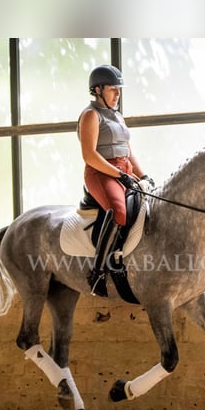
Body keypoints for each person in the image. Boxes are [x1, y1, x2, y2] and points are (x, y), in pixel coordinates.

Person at [77, 64, 153, 295]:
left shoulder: (118, 116)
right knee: (119, 211)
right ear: (98, 90)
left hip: (124, 170)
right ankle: (99, 271)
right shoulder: (91, 115)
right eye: (113, 89)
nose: (118, 93)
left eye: (119, 89)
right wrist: (119, 175)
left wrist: (143, 175)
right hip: (101, 173)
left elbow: (128, 151)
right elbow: (89, 155)